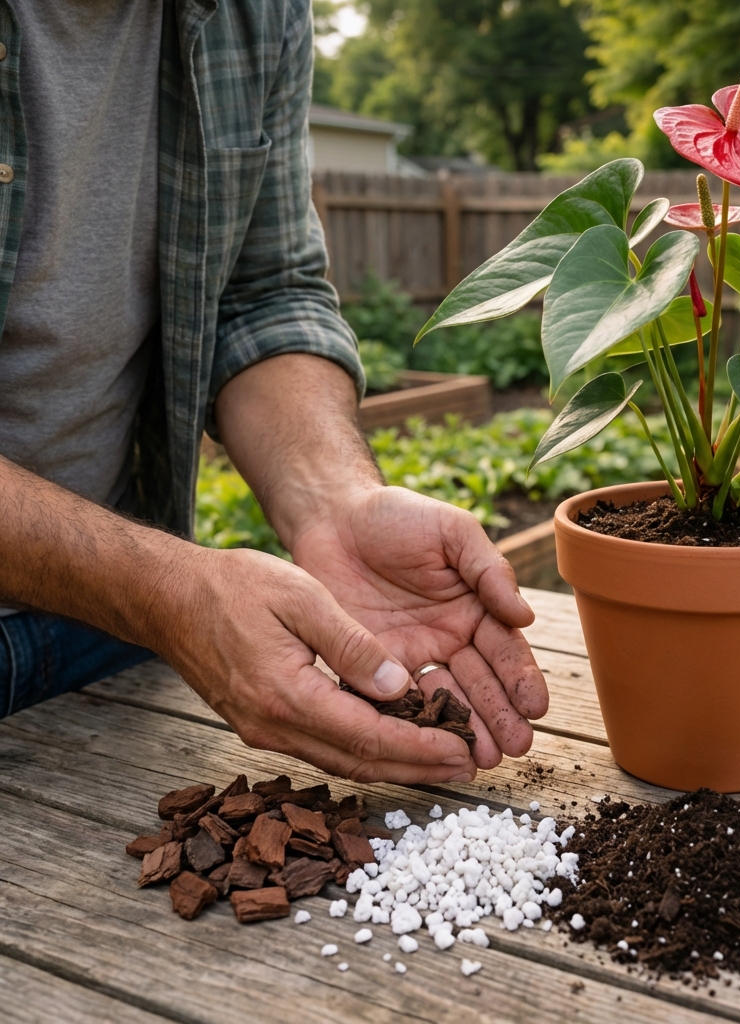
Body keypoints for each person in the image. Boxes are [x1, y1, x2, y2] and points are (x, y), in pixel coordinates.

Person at [0, 0, 548, 785]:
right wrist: (165, 591)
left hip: (115, 626)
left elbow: (262, 294)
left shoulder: (256, 14)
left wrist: (336, 503)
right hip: (140, 593)